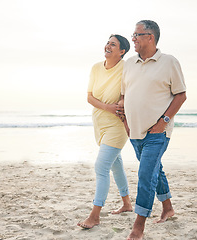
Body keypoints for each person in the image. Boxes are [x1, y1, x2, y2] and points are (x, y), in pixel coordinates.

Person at [117, 20, 187, 240]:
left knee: (146, 175)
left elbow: (181, 95)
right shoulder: (128, 63)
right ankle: (168, 208)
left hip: (157, 133)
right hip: (134, 132)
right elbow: (123, 95)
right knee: (155, 171)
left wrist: (163, 122)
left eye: (137, 35)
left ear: (151, 37)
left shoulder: (169, 62)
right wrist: (126, 122)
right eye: (133, 34)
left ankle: (138, 227)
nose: (133, 39)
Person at [77, 34, 133, 229]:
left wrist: (124, 102)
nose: (108, 46)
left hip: (117, 125)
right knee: (116, 164)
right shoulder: (95, 68)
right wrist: (107, 107)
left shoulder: (127, 67)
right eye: (107, 43)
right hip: (99, 122)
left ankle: (95, 215)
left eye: (113, 44)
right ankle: (127, 204)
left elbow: (133, 89)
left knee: (101, 167)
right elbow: (89, 97)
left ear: (122, 51)